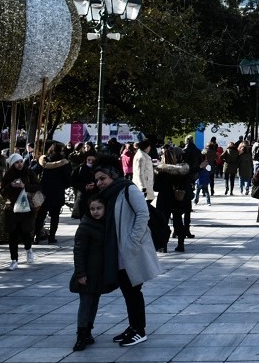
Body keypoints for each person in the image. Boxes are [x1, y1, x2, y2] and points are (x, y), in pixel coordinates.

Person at [93, 165, 161, 347]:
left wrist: (133, 240)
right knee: (128, 291)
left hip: (130, 250)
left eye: (102, 178)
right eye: (97, 179)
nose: (99, 182)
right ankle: (133, 327)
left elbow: (142, 214)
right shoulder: (108, 194)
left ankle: (139, 330)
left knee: (133, 291)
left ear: (112, 177)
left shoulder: (127, 189)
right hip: (118, 250)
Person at [70, 196, 114, 352]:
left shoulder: (107, 224)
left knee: (94, 301)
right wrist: (80, 273)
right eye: (92, 209)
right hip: (87, 272)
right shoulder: (85, 226)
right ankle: (81, 335)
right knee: (85, 303)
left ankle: (88, 331)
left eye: (99, 208)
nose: (95, 212)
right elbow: (79, 251)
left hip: (99, 273)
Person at [1, 152, 39, 270]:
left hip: (27, 208)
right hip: (12, 208)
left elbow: (38, 186)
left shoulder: (28, 172)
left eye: (21, 161)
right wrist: (11, 185)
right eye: (16, 162)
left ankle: (29, 249)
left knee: (26, 232)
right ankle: (14, 260)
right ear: (12, 164)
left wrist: (24, 186)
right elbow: (2, 192)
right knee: (12, 234)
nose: (19, 164)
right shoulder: (8, 175)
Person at [153, 147, 190, 252]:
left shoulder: (162, 171)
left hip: (164, 199)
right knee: (178, 222)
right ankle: (180, 244)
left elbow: (156, 188)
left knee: (163, 223)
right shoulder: (181, 171)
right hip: (177, 199)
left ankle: (163, 246)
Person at [34, 144, 71, 243]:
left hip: (44, 192)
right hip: (57, 192)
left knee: (41, 215)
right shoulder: (64, 163)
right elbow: (68, 179)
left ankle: (36, 236)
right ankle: (52, 237)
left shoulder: (43, 161)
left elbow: (33, 171)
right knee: (55, 216)